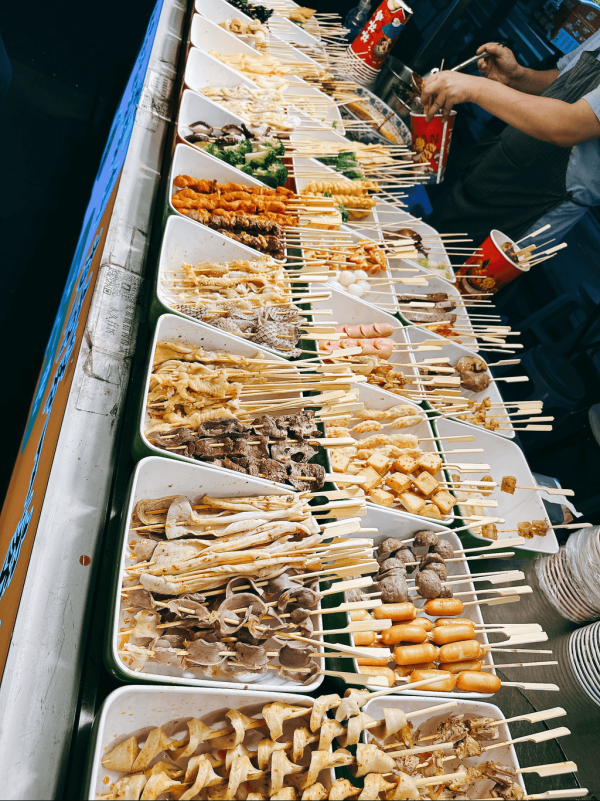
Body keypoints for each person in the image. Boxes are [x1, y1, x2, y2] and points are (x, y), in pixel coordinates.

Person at [420, 38, 600, 246]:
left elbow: (569, 126)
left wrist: (475, 88)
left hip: (538, 201)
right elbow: (565, 79)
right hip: (505, 159)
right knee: (428, 237)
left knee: (457, 271)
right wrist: (519, 77)